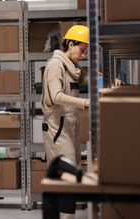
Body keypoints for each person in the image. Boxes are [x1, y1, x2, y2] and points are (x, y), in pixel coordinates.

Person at [41, 25, 90, 219]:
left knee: (72, 178)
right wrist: (84, 103)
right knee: (65, 180)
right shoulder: (56, 65)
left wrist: (115, 81)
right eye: (82, 50)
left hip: (70, 126)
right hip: (57, 128)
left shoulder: (73, 68)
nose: (84, 55)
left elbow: (93, 78)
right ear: (71, 44)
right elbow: (56, 96)